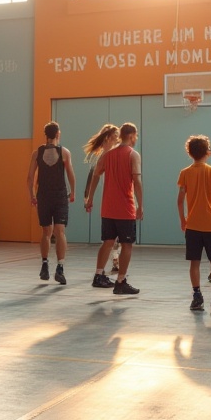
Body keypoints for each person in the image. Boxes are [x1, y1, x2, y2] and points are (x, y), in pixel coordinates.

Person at [84, 122, 143, 295]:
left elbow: (95, 176)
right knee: (127, 245)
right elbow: (137, 182)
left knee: (108, 242)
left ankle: (98, 275)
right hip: (125, 208)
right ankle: (121, 281)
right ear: (132, 136)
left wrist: (90, 198)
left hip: (108, 208)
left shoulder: (107, 155)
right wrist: (140, 205)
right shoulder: (133, 154)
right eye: (136, 136)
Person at [178, 135, 211, 314]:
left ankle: (196, 296)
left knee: (194, 262)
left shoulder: (185, 173)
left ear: (189, 153)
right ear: (207, 152)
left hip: (193, 224)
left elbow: (179, 201)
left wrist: (183, 220)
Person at [28, 120, 76, 285]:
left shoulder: (37, 153)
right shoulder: (65, 152)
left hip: (43, 195)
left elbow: (29, 177)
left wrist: (32, 195)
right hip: (59, 195)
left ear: (45, 135)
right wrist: (73, 192)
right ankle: (60, 267)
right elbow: (70, 174)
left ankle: (45, 264)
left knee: (46, 232)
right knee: (60, 231)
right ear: (57, 134)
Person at [82, 123, 120, 278]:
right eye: (115, 138)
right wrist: (88, 198)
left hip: (120, 199)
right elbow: (94, 177)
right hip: (113, 201)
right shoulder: (106, 157)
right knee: (112, 239)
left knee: (115, 239)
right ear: (110, 139)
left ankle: (115, 262)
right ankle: (108, 267)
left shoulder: (119, 153)